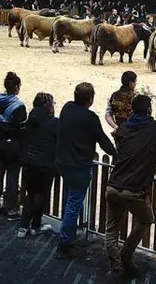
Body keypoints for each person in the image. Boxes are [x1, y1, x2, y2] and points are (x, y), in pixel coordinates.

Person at [105, 94, 156, 277]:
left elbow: (120, 148)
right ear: (149, 110)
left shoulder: (122, 129)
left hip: (113, 185)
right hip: (135, 189)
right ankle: (125, 255)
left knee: (111, 228)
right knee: (146, 220)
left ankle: (117, 265)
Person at [55, 82, 117, 259]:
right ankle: (65, 243)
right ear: (90, 99)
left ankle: (68, 236)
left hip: (63, 162)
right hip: (78, 165)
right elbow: (102, 140)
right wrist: (116, 153)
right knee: (73, 204)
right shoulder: (90, 118)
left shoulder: (67, 108)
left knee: (69, 200)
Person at [19, 92, 58, 239]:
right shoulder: (54, 123)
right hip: (45, 165)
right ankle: (35, 225)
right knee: (41, 194)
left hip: (28, 163)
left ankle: (23, 227)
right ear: (49, 106)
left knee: (30, 194)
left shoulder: (29, 121)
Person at [0, 72, 27, 220]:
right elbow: (22, 127)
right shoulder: (18, 106)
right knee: (12, 177)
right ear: (17, 87)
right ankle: (11, 209)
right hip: (12, 144)